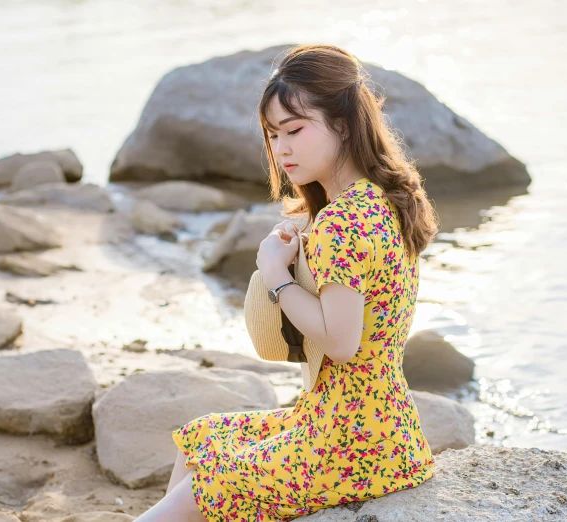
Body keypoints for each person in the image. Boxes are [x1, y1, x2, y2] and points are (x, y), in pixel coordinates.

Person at [135, 43, 440, 522]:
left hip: (349, 444)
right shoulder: (377, 201)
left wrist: (277, 277)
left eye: (295, 130)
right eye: (273, 135)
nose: (281, 150)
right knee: (202, 438)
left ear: (343, 124)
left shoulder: (341, 223)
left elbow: (340, 343)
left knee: (197, 489)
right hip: (376, 427)